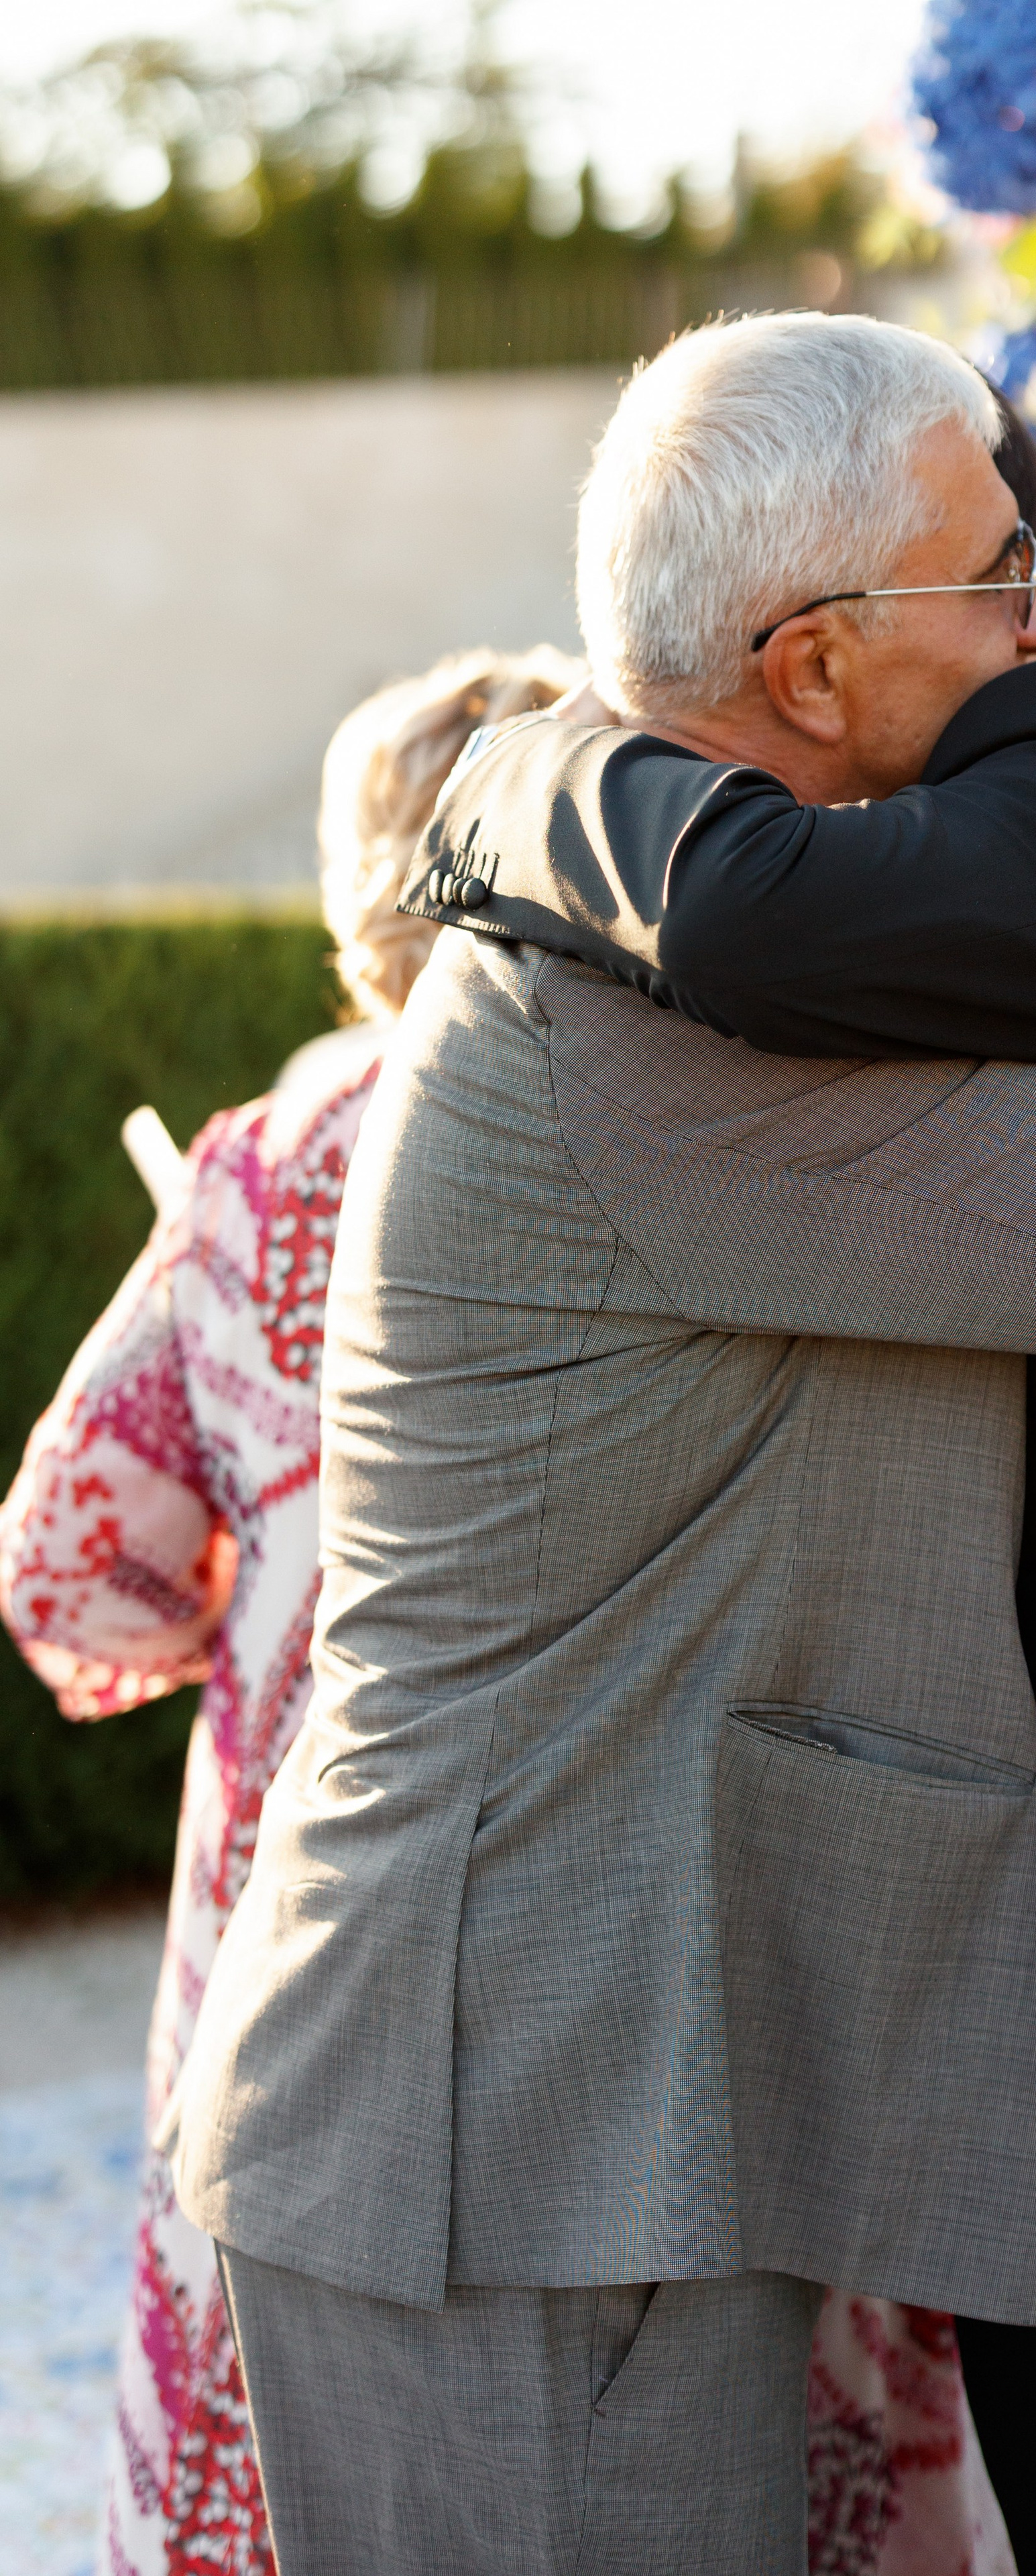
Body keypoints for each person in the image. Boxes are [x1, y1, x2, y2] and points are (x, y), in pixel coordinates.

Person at [167, 313, 1036, 2574]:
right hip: (516, 2133)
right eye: (1001, 572)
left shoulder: (725, 956)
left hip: (592, 2105)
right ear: (808, 667)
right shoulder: (677, 1042)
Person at [0, 645, 580, 2576]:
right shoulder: (648, 1117)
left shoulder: (261, 1161)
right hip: (598, 1882)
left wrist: (248, 1621)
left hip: (304, 1885)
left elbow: (64, 1555)